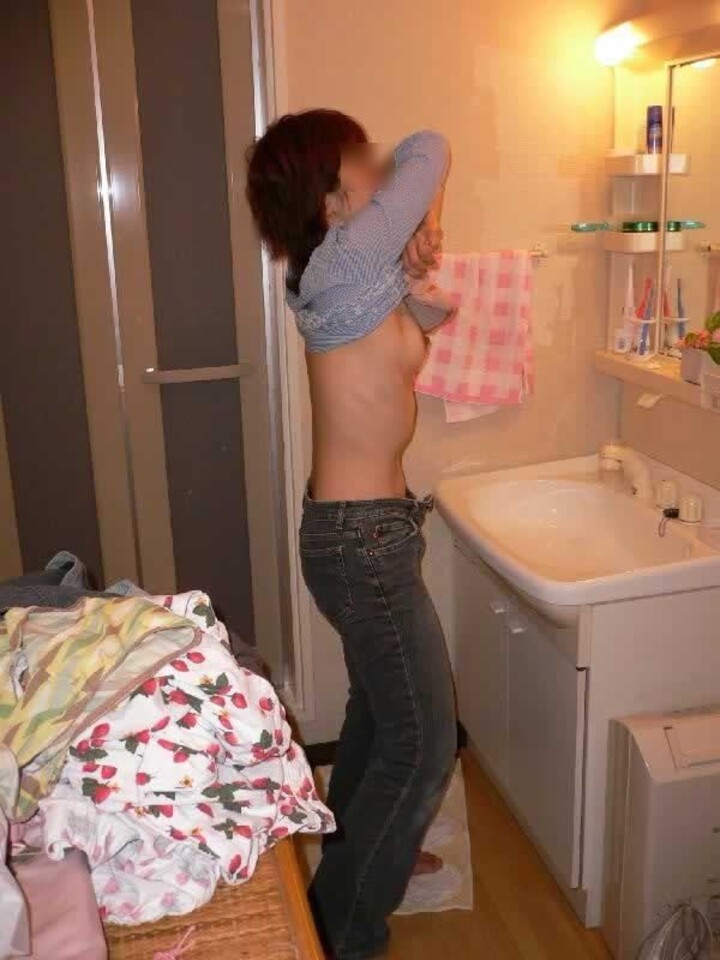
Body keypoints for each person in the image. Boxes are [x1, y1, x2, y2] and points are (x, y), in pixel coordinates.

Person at [246, 110, 457, 960]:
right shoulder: (343, 261)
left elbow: (421, 324)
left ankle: (363, 855)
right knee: (424, 742)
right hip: (361, 540)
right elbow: (430, 145)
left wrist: (415, 263)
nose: (380, 166)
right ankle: (342, 931)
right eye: (360, 159)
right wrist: (418, 208)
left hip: (370, 533)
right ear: (331, 198)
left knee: (381, 713)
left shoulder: (350, 273)